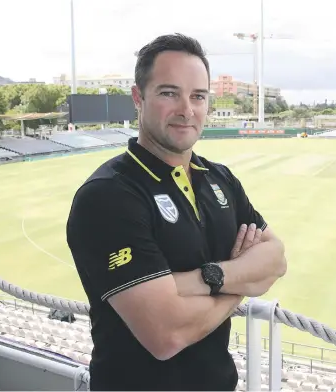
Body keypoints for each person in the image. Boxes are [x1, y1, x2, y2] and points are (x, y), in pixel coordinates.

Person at [65, 33, 287, 391]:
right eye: (169, 93)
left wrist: (204, 279)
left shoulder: (220, 178)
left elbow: (276, 259)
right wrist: (241, 282)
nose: (187, 110)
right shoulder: (108, 195)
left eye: (198, 96)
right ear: (138, 98)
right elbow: (167, 335)